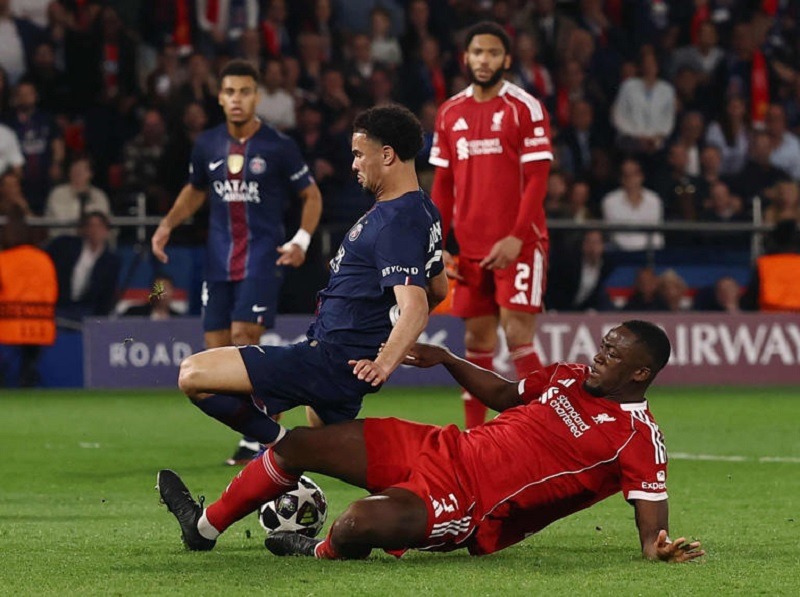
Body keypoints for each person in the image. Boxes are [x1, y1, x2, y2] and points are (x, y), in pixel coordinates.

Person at [157, 320, 705, 565]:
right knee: (300, 442)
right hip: (441, 447)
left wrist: (657, 548)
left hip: (467, 502)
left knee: (354, 525)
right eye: (603, 346)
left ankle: (317, 549)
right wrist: (447, 359)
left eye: (613, 355)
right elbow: (505, 394)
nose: (599, 357)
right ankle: (204, 529)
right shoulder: (568, 376)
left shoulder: (638, 436)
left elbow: (651, 523)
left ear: (640, 373)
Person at [155, 103, 447, 470]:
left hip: (327, 361)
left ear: (387, 155)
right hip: (342, 367)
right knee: (337, 459)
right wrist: (380, 337)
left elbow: (416, 306)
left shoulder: (394, 222)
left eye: (359, 154)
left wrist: (384, 362)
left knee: (194, 375)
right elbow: (438, 289)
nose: (353, 164)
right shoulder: (423, 210)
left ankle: (283, 444)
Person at [151, 59, 323, 465]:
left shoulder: (278, 146)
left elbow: (311, 195)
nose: (237, 99)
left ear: (256, 96)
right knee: (217, 356)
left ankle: (258, 437)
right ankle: (264, 429)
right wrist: (167, 225)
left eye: (245, 92)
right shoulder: (207, 144)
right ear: (220, 97)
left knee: (245, 337)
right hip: (218, 261)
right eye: (230, 92)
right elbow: (195, 190)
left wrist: (300, 240)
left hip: (262, 258)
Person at [428, 21, 553, 428]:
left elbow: (537, 180)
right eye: (478, 52)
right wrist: (438, 243)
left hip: (520, 245)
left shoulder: (525, 107)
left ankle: (546, 431)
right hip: (469, 248)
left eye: (493, 53)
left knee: (518, 336)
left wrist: (516, 237)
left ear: (507, 60)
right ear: (465, 58)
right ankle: (476, 437)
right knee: (476, 340)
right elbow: (443, 184)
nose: (484, 60)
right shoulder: (450, 112)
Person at [46, 211, 120, 324]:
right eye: (91, 226)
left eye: (99, 226)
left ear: (106, 231)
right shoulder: (65, 246)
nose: (95, 231)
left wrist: (100, 320)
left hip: (87, 309)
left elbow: (107, 294)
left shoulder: (111, 261)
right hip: (60, 305)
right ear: (84, 229)